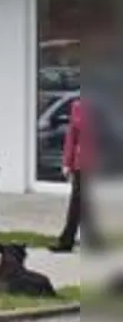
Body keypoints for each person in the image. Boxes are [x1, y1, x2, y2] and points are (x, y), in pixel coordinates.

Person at [51, 95, 99, 253]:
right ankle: (70, 240)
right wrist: (67, 162)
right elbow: (72, 137)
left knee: (86, 202)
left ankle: (90, 240)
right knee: (78, 201)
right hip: (83, 162)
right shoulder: (78, 107)